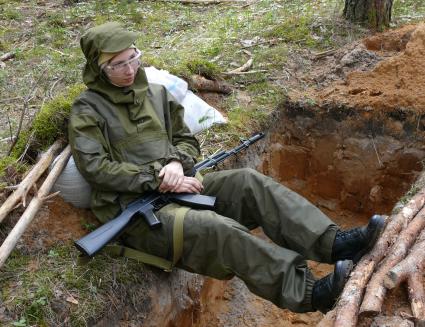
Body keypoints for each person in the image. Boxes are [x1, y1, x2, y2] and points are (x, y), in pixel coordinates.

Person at [68, 22, 385, 314]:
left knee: (248, 182)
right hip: (138, 214)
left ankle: (334, 243)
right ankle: (311, 293)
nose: (129, 69)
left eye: (133, 58)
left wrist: (177, 164)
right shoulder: (87, 111)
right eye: (117, 64)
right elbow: (95, 168)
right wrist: (158, 178)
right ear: (98, 68)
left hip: (179, 186)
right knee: (217, 230)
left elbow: (186, 141)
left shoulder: (155, 93)